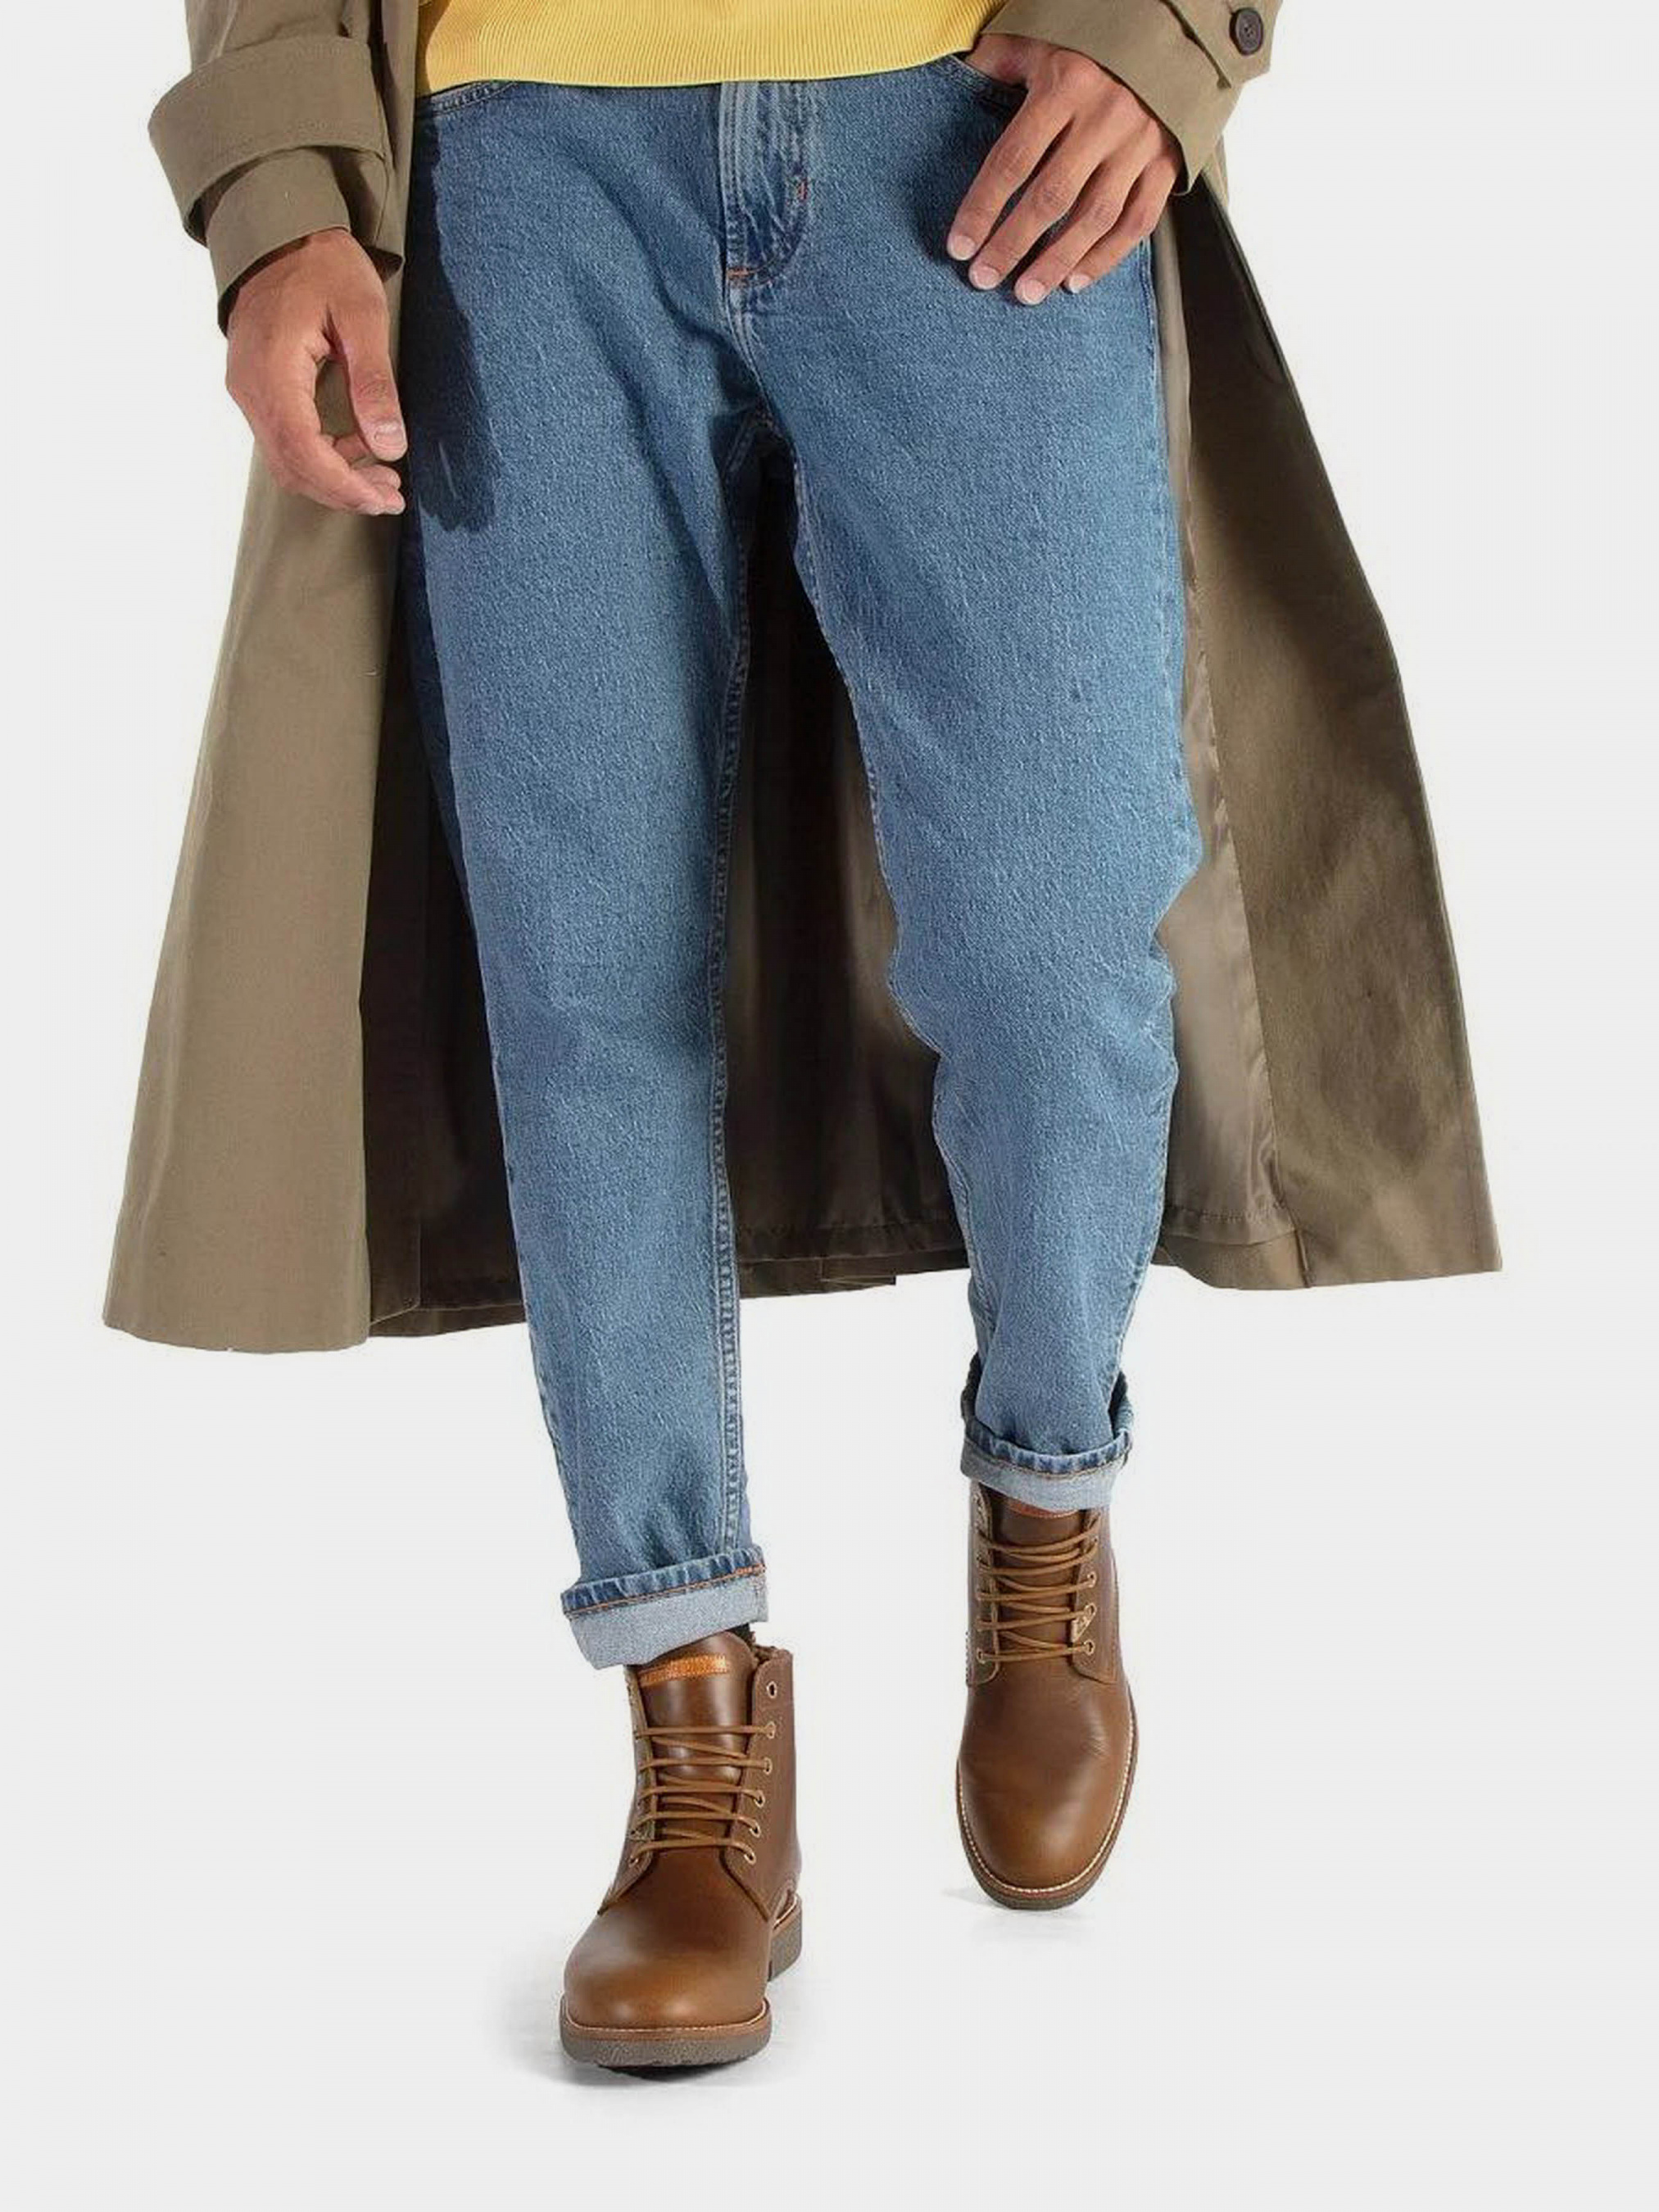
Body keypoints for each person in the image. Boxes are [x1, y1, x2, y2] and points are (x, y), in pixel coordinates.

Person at [112, 1, 1497, 2070]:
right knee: (582, 985)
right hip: (518, 155)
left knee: (1050, 929)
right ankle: (692, 1743)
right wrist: (277, 190)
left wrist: (1162, 27)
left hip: (969, 126)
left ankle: (1045, 1493)